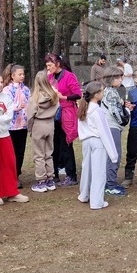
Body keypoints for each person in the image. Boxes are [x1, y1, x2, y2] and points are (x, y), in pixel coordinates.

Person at [0, 72, 29, 205]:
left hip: (5, 135)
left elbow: (9, 115)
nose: (0, 84)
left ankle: (11, 192)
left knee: (9, 163)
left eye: (1, 82)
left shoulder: (7, 97)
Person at [77, 81, 120, 210]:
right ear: (96, 95)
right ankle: (96, 202)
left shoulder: (84, 108)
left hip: (86, 142)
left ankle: (84, 195)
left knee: (87, 169)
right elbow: (104, 132)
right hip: (97, 142)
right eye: (102, 91)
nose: (103, 93)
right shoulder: (97, 111)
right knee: (98, 171)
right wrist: (113, 154)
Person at [46, 53, 82, 186]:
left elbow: (78, 94)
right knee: (53, 145)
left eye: (50, 65)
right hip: (52, 114)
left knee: (66, 145)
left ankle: (71, 176)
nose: (48, 68)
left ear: (57, 64)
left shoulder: (69, 76)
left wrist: (63, 97)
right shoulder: (49, 77)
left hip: (66, 113)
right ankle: (54, 174)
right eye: (47, 65)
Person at [100, 66, 131, 196]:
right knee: (114, 155)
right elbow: (114, 112)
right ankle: (110, 184)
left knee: (111, 155)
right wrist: (125, 117)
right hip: (112, 127)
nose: (120, 79)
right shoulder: (111, 92)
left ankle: (109, 182)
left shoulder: (109, 91)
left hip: (110, 126)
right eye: (118, 77)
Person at [27, 70, 60, 193]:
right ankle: (50, 179)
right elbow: (57, 108)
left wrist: (30, 129)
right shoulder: (54, 96)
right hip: (50, 124)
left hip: (38, 124)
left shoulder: (34, 99)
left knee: (39, 155)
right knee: (48, 153)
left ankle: (41, 181)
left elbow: (30, 116)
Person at [1, 64, 31, 187]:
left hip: (23, 125)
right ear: (13, 76)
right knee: (10, 152)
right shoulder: (7, 90)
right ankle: (9, 176)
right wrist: (16, 107)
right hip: (11, 126)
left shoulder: (26, 89)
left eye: (23, 74)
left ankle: (17, 174)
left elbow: (29, 104)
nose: (22, 76)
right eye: (19, 74)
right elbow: (5, 106)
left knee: (20, 151)